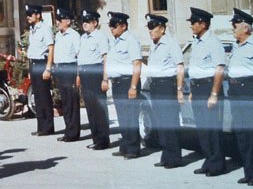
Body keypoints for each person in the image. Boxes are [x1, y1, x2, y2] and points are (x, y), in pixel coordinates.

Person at [187, 7, 227, 177]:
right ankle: (208, 160)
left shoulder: (213, 42)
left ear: (202, 24)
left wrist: (214, 94)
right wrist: (190, 91)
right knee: (202, 129)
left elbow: (219, 69)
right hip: (196, 88)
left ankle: (218, 164)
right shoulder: (196, 42)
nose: (191, 26)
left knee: (212, 129)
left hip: (209, 88)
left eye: (193, 23)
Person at [145, 14, 185, 169]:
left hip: (166, 86)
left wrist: (179, 89)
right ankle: (166, 155)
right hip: (155, 86)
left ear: (162, 28)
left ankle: (174, 158)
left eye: (152, 28)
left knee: (170, 122)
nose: (150, 31)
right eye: (148, 28)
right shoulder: (154, 44)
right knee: (160, 123)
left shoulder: (170, 44)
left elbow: (180, 67)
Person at [107, 12, 143, 159]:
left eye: (114, 26)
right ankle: (125, 145)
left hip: (128, 82)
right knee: (122, 117)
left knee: (130, 117)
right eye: (110, 26)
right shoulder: (115, 41)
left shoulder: (131, 40)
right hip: (117, 83)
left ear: (123, 26)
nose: (112, 29)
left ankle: (134, 148)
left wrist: (133, 86)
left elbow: (137, 64)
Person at [227, 8, 253, 186]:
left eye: (235, 25)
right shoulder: (236, 46)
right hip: (236, 91)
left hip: (250, 90)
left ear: (246, 28)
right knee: (242, 133)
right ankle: (248, 171)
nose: (232, 28)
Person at [77, 10, 111, 150]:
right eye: (83, 21)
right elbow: (81, 58)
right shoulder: (83, 38)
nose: (84, 24)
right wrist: (79, 75)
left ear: (95, 23)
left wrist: (105, 78)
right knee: (90, 108)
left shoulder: (100, 37)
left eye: (88, 21)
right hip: (85, 74)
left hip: (96, 74)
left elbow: (106, 58)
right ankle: (95, 138)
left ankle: (103, 140)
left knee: (99, 108)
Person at [25, 4, 55, 137]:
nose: (28, 17)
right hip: (33, 64)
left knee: (44, 96)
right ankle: (41, 126)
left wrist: (48, 68)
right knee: (37, 96)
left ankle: (48, 127)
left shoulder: (45, 29)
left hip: (42, 64)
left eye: (30, 15)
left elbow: (51, 49)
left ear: (38, 15)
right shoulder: (33, 30)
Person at [53, 8, 82, 142]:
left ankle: (73, 133)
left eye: (60, 20)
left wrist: (78, 75)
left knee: (72, 102)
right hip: (60, 70)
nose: (58, 22)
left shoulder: (74, 35)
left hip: (70, 68)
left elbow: (79, 56)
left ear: (68, 21)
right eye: (57, 20)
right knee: (65, 102)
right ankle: (68, 130)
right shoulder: (58, 35)